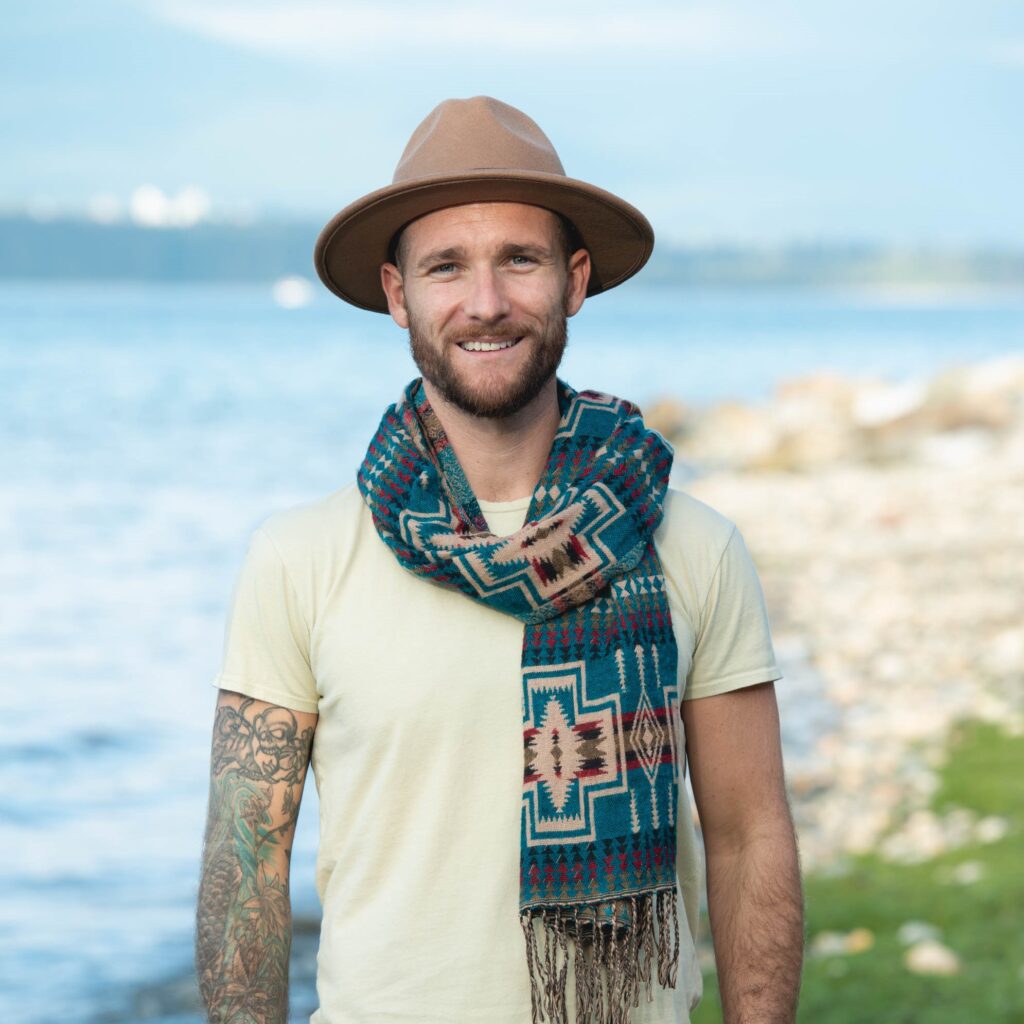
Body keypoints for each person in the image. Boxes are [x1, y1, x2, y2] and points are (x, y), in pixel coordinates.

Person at [196, 96, 803, 1024]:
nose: (486, 303)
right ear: (399, 295)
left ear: (575, 280)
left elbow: (751, 837)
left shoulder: (692, 546)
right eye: (447, 267)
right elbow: (246, 861)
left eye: (519, 259)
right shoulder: (300, 558)